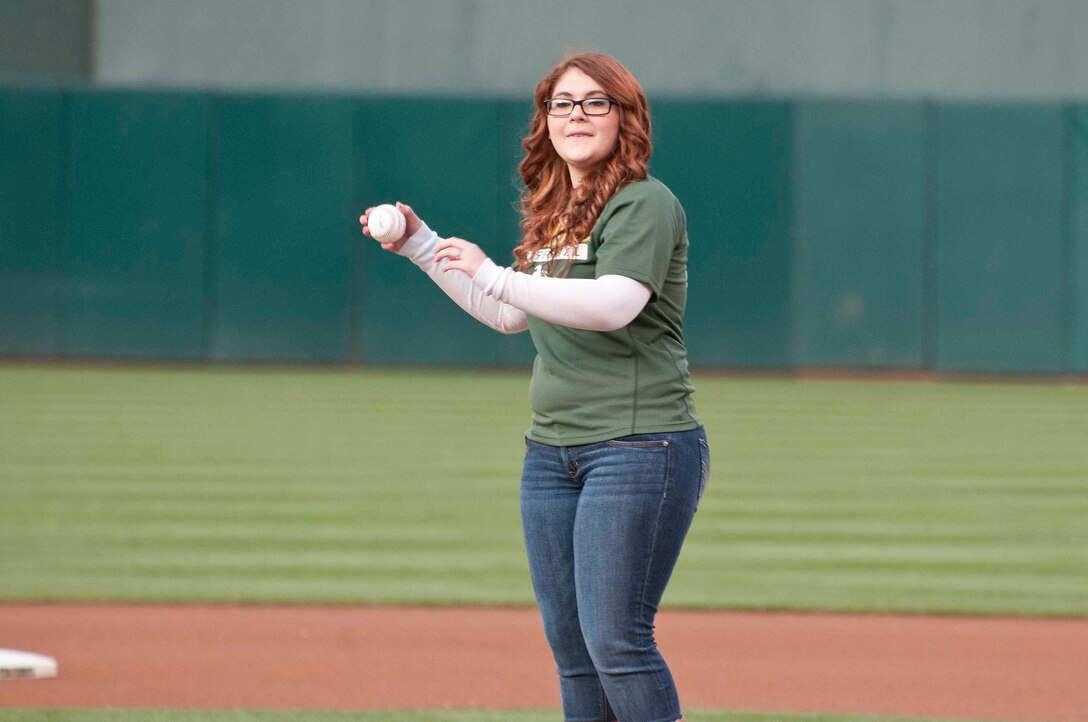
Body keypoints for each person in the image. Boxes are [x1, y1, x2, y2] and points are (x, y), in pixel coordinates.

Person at [360, 52, 708, 722]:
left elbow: (614, 304)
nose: (576, 116)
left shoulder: (645, 202)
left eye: (594, 102)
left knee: (617, 641)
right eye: (561, 104)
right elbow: (509, 312)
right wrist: (421, 244)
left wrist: (493, 273)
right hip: (551, 454)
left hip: (639, 448)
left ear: (625, 117)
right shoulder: (558, 208)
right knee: (574, 648)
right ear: (545, 120)